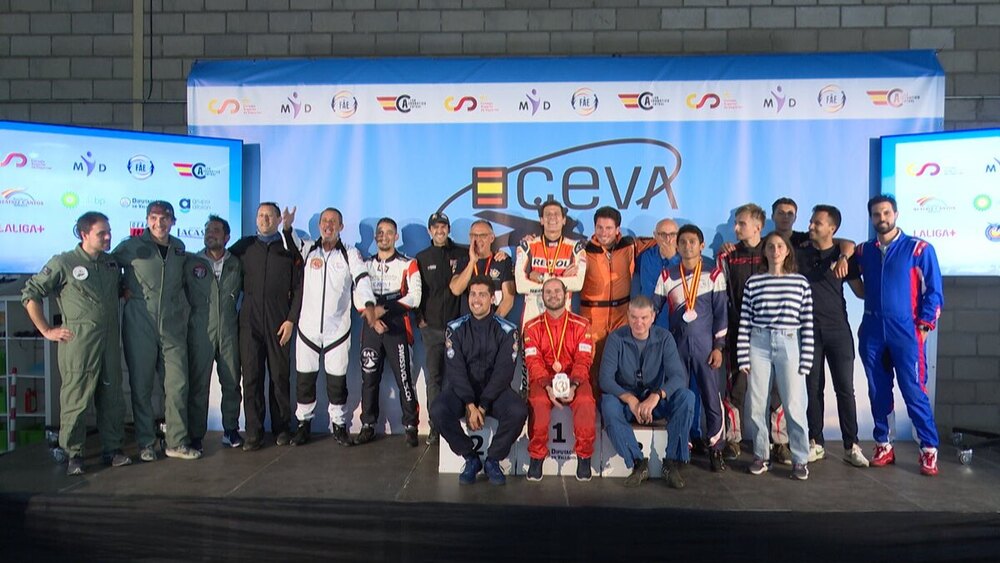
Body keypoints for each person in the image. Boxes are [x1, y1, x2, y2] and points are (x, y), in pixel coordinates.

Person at [22, 212, 130, 475]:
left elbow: (117, 291)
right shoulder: (64, 262)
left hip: (108, 343)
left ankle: (112, 449)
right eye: (101, 233)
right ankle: (74, 454)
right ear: (84, 234)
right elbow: (30, 294)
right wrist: (46, 330)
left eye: (109, 232)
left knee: (112, 397)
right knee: (76, 398)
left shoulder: (110, 264)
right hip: (79, 344)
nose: (108, 237)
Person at [854, 194, 943, 476]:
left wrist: (924, 326)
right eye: (876, 215)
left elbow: (934, 292)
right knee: (877, 390)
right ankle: (883, 444)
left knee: (914, 391)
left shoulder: (918, 249)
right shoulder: (863, 251)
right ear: (871, 218)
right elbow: (849, 267)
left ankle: (928, 449)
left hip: (906, 331)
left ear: (896, 214)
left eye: (886, 213)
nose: (882, 219)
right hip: (872, 331)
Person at [113, 201, 199, 461]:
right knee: (141, 385)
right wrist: (120, 287)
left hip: (172, 324)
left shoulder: (179, 248)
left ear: (173, 221)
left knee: (177, 383)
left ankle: (176, 441)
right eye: (153, 218)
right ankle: (146, 442)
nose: (159, 223)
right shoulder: (131, 246)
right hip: (140, 320)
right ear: (147, 220)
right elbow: (106, 267)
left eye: (164, 218)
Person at [290, 207, 378, 447]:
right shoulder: (308, 249)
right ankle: (303, 424)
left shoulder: (350, 253)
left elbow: (361, 278)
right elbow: (290, 242)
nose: (328, 225)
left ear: (341, 226)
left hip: (337, 331)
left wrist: (369, 303)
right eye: (324, 221)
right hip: (307, 330)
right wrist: (286, 227)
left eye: (333, 221)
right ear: (319, 225)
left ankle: (339, 426)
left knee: (337, 381)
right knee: (304, 380)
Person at [430, 276, 528, 486]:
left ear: (493, 298)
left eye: (482, 294)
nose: (476, 299)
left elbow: (503, 373)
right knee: (438, 409)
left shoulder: (508, 331)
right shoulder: (454, 328)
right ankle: (470, 458)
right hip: (463, 393)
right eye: (473, 294)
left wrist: (482, 406)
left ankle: (493, 460)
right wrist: (470, 404)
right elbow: (455, 371)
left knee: (518, 410)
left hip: (494, 392)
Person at [737, 231, 814, 480]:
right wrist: (743, 356)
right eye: (770, 246)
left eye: (780, 246)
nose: (775, 250)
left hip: (790, 342)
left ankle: (800, 459)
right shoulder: (754, 282)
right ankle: (761, 455)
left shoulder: (800, 282)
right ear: (765, 251)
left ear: (787, 250)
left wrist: (807, 357)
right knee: (757, 404)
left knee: (794, 404)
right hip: (758, 342)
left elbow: (807, 322)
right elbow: (745, 321)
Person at [796, 205, 869, 467]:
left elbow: (861, 293)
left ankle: (852, 445)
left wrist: (848, 260)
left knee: (845, 390)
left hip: (838, 330)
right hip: (808, 331)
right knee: (813, 388)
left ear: (832, 228)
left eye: (817, 223)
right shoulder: (800, 253)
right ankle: (816, 442)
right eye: (811, 221)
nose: (811, 226)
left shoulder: (843, 257)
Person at [653, 224, 729, 472]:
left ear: (701, 245)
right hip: (677, 348)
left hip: (706, 348)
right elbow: (652, 309)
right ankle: (680, 448)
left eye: (692, 242)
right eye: (682, 242)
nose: (687, 246)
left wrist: (719, 346)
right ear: (676, 245)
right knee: (679, 398)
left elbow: (721, 314)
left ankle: (716, 449)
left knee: (711, 398)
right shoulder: (667, 275)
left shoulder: (714, 274)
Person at [599, 296, 696, 489]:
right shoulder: (616, 338)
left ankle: (671, 463)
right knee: (608, 404)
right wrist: (630, 400)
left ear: (653, 317)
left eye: (644, 318)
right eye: (634, 317)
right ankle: (637, 462)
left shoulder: (664, 338)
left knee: (687, 397)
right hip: (627, 404)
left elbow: (678, 376)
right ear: (627, 316)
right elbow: (605, 379)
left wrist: (657, 395)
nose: (639, 323)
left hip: (656, 403)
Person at [229, 202, 303, 451]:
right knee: (251, 377)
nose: (264, 220)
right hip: (249, 321)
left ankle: (282, 429)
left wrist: (291, 319)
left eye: (269, 216)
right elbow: (220, 263)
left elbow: (300, 287)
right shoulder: (244, 247)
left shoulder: (288, 248)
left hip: (279, 320)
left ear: (278, 219)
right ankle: (253, 432)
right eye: (260, 215)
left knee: (280, 377)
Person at [353, 217, 422, 447]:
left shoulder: (408, 263)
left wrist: (384, 311)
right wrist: (373, 319)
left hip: (397, 325)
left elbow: (414, 297)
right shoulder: (365, 264)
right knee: (369, 378)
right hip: (371, 326)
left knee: (405, 378)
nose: (384, 236)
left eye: (389, 232)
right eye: (380, 232)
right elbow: (357, 296)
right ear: (375, 237)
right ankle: (368, 425)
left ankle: (411, 425)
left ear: (396, 236)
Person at [522, 278, 596, 482]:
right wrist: (547, 386)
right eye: (548, 292)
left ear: (566, 294)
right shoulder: (531, 326)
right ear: (542, 296)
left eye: (557, 291)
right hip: (544, 380)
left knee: (585, 401)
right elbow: (533, 361)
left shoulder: (582, 324)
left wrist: (573, 385)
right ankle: (536, 457)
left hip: (575, 380)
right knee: (537, 403)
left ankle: (584, 456)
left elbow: (584, 359)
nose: (553, 295)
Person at [183, 215, 244, 451]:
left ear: (227, 237)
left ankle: (230, 430)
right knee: (198, 385)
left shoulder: (236, 264)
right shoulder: (192, 263)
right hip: (200, 330)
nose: (211, 234)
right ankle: (196, 435)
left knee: (231, 382)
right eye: (208, 230)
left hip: (229, 329)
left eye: (216, 230)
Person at [580, 206, 656, 392]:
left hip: (621, 314)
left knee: (623, 364)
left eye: (608, 228)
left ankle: (621, 410)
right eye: (599, 228)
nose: (603, 233)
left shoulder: (629, 245)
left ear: (617, 230)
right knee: (592, 364)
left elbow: (662, 240)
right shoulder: (583, 249)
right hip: (592, 316)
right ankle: (596, 414)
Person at [717, 203, 768, 461]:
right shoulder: (728, 255)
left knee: (775, 388)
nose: (736, 228)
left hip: (768, 331)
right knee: (736, 385)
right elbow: (721, 294)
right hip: (737, 329)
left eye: (742, 223)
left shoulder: (774, 251)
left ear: (758, 226)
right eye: (735, 223)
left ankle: (779, 441)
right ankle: (733, 439)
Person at [415, 212, 468, 445]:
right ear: (429, 231)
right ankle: (436, 426)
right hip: (432, 329)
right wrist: (420, 319)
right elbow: (416, 292)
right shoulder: (422, 258)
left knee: (455, 378)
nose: (439, 230)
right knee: (434, 379)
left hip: (457, 328)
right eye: (435, 227)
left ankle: (452, 423)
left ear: (448, 229)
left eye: (443, 226)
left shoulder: (462, 254)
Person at [514, 199, 587, 324]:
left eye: (556, 214)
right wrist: (561, 281)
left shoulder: (576, 248)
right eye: (548, 214)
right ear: (541, 220)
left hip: (563, 317)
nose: (552, 217)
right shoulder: (526, 246)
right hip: (533, 316)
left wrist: (542, 277)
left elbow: (577, 284)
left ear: (564, 220)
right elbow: (521, 286)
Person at [772, 197, 854, 278]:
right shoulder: (766, 242)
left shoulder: (807, 237)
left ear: (795, 218)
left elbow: (849, 244)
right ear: (773, 216)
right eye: (781, 213)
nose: (785, 217)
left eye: (790, 214)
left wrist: (843, 257)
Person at [450, 219, 515, 318]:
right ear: (470, 238)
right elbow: (456, 290)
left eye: (483, 236)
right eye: (474, 236)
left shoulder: (502, 261)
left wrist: (492, 324)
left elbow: (508, 299)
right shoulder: (463, 261)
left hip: (494, 327)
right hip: (468, 327)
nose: (478, 240)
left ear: (492, 238)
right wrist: (472, 262)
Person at [637, 219, 680, 330]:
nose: (668, 239)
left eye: (672, 234)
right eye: (663, 235)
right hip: (654, 323)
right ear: (655, 235)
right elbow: (647, 290)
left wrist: (672, 259)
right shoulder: (647, 257)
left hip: (680, 323)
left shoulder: (687, 257)